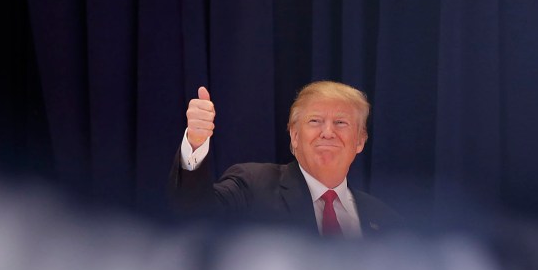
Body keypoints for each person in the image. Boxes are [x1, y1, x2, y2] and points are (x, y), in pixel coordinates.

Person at [168, 81, 400, 237]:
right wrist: (196, 143)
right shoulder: (253, 185)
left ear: (360, 141)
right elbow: (195, 215)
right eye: (315, 121)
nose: (328, 132)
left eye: (341, 123)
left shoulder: (383, 218)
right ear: (295, 136)